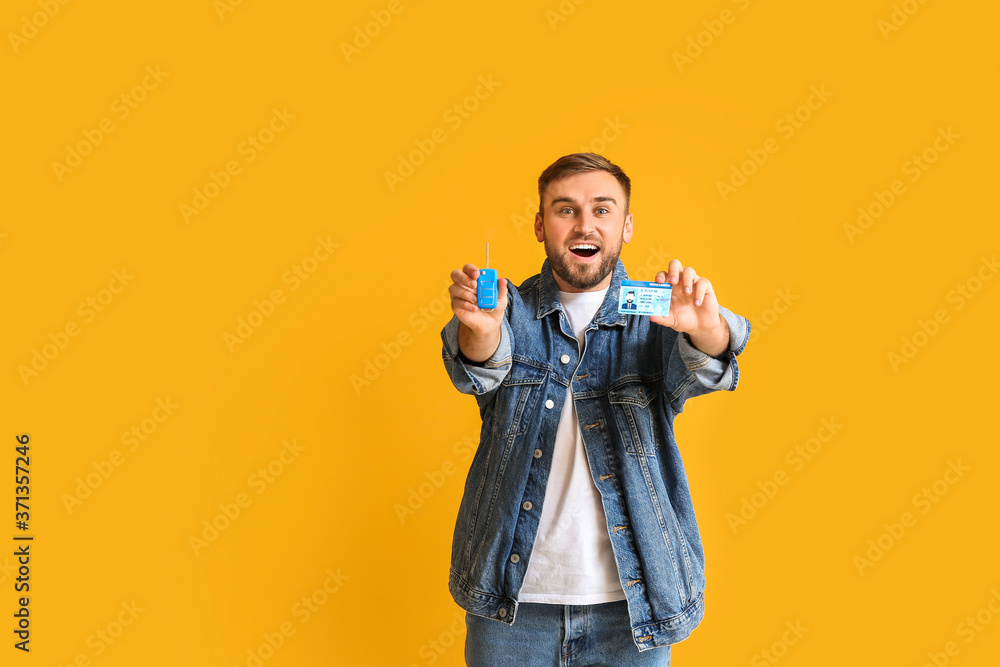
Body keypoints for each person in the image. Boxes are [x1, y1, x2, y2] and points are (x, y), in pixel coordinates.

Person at [440, 153, 750, 666]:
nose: (585, 224)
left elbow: (712, 363)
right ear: (541, 226)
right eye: (566, 210)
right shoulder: (505, 309)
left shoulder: (660, 314)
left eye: (602, 210)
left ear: (626, 226)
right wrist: (480, 329)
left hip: (633, 606)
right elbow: (478, 367)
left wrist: (707, 327)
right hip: (511, 605)